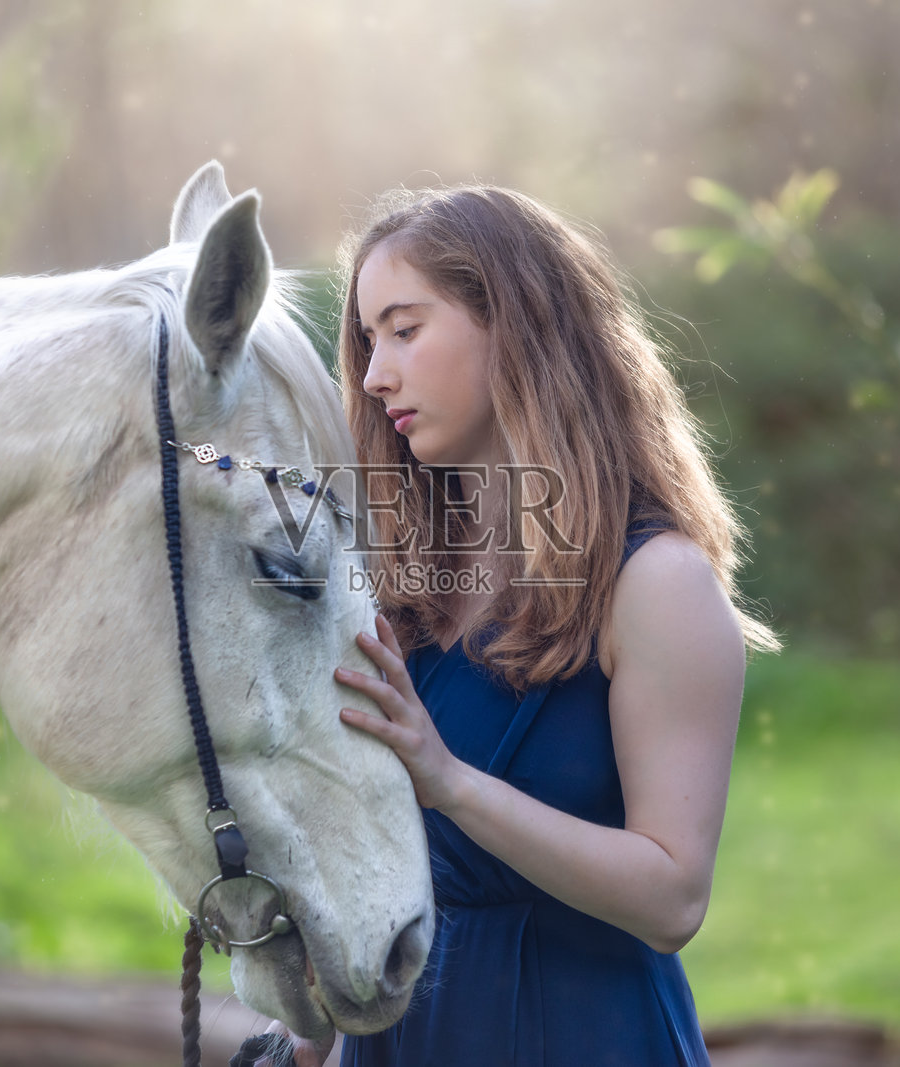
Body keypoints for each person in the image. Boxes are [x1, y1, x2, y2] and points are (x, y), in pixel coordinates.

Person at [255, 185, 778, 1067]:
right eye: (367, 341)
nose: (377, 373)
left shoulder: (656, 583)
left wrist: (450, 782)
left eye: (405, 329)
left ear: (516, 326)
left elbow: (673, 897)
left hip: (583, 1037)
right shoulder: (401, 584)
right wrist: (307, 1036)